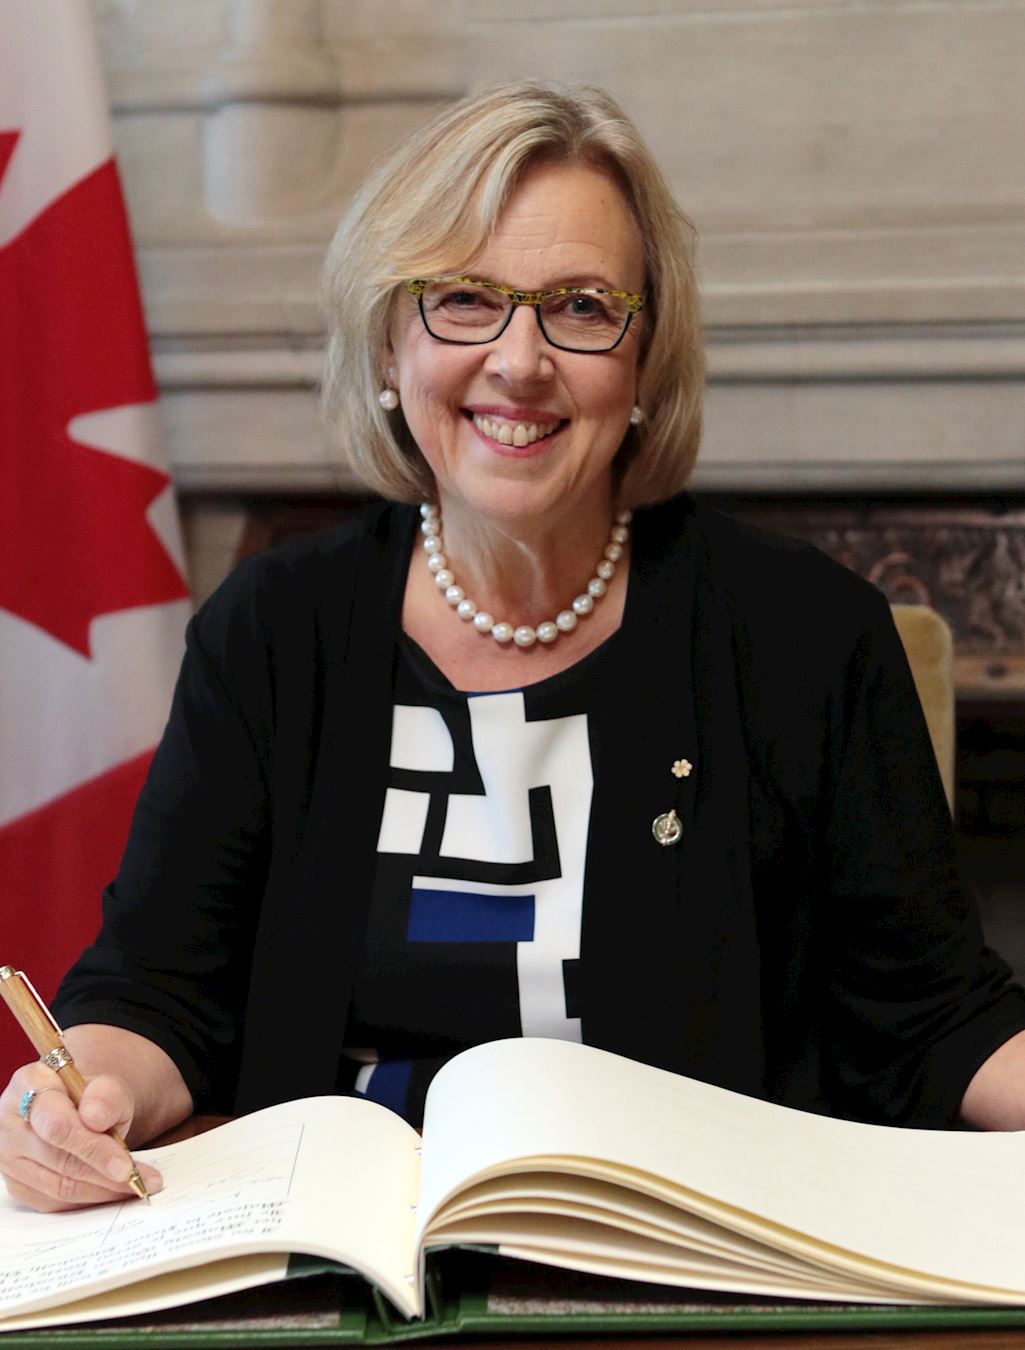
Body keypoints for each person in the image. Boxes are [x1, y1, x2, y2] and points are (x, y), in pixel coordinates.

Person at [3, 82, 1025, 1214]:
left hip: (682, 1262)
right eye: (463, 299)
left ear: (643, 361)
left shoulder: (804, 635)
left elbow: (934, 1020)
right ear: (389, 345)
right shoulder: (274, 630)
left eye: (581, 307)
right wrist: (75, 1098)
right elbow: (156, 992)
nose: (519, 359)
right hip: (334, 1252)